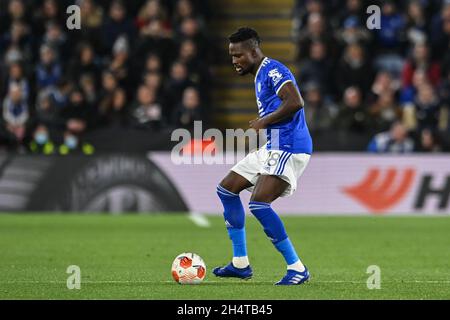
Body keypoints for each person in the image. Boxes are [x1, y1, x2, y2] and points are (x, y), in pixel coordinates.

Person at [213, 28, 313, 285]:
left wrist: (263, 121)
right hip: (274, 144)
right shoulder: (259, 74)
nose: (234, 61)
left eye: (238, 56)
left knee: (258, 204)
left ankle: (297, 268)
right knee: (226, 189)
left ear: (254, 51)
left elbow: (296, 102)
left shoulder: (273, 71)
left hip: (288, 145)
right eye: (232, 56)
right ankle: (240, 264)